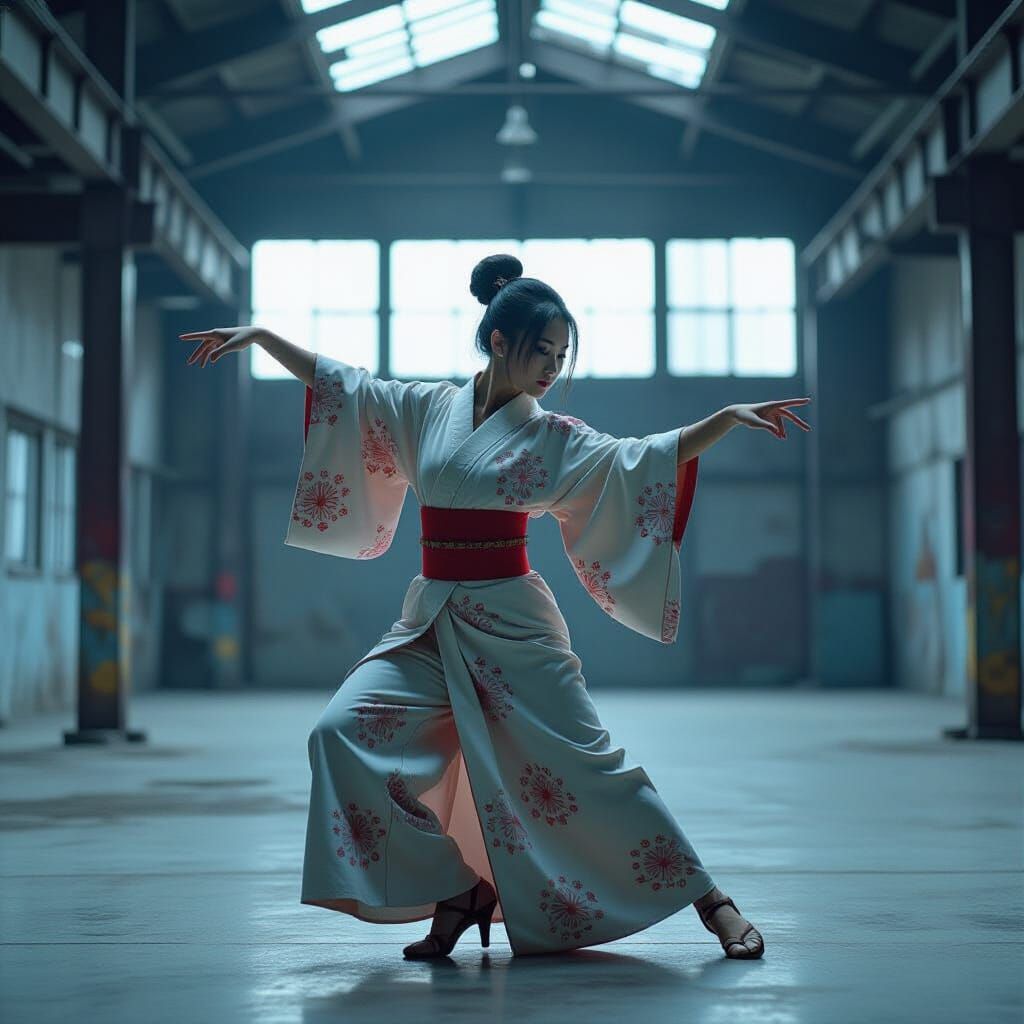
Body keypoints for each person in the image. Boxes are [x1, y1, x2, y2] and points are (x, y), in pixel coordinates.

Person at [180, 252, 811, 960]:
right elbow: (347, 388)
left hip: (513, 625)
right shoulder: (426, 409)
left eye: (562, 355)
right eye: (542, 350)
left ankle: (712, 902)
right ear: (499, 341)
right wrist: (264, 338)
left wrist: (723, 419)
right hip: (428, 618)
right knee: (338, 732)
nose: (552, 367)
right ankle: (459, 887)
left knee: (589, 768)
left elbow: (636, 460)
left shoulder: (553, 437)